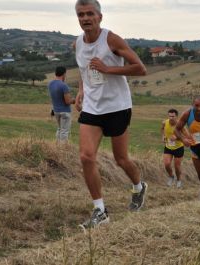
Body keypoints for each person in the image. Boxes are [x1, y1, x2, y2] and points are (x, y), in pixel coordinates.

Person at [74, 0, 148, 229]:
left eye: (90, 14)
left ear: (99, 16)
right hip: (93, 108)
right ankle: (100, 210)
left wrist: (108, 69)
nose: (85, 18)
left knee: (121, 159)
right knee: (86, 157)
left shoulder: (111, 40)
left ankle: (139, 187)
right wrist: (81, 91)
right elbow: (85, 70)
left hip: (117, 106)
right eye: (81, 14)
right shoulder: (77, 42)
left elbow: (140, 68)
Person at [48, 66, 75, 143]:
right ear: (64, 74)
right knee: (65, 131)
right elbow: (67, 101)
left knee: (59, 129)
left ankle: (57, 146)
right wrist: (74, 100)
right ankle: (63, 149)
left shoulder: (50, 84)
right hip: (65, 111)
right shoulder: (64, 86)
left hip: (56, 110)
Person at [161, 108, 186, 188]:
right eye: (170, 116)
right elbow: (162, 129)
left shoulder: (180, 125)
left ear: (177, 117)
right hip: (168, 146)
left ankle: (179, 180)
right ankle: (171, 176)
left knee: (177, 167)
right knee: (167, 164)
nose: (171, 118)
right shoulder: (165, 122)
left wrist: (177, 137)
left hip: (178, 147)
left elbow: (185, 136)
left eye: (173, 116)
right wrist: (163, 136)